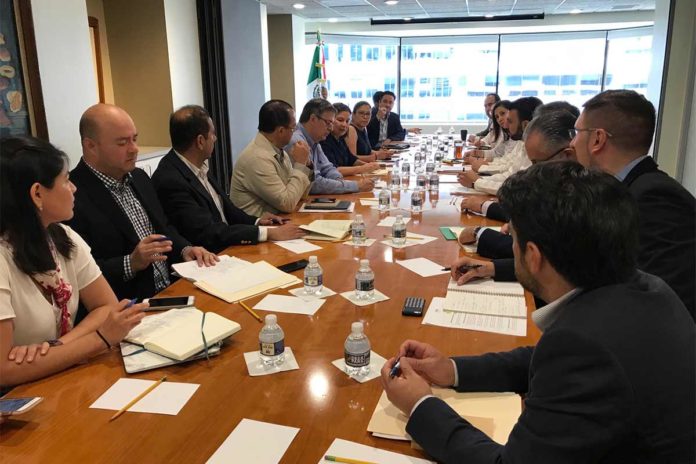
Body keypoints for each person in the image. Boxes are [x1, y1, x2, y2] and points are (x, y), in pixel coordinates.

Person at [381, 161, 695, 463]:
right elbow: (545, 359)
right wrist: (451, 369)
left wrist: (420, 404)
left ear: (533, 255)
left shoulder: (585, 345)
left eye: (513, 239)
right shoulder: (643, 287)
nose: (511, 246)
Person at [0, 136, 146, 388]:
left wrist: (56, 346)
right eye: (66, 180)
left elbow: (106, 306)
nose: (74, 188)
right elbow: (4, 371)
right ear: (37, 194)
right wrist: (99, 339)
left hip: (59, 378)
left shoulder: (62, 236)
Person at [68, 104, 218, 301]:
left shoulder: (139, 177)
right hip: (130, 303)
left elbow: (164, 227)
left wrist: (186, 249)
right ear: (90, 146)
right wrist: (131, 262)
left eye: (135, 139)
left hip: (173, 289)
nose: (134, 149)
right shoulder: (72, 195)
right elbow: (77, 273)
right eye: (122, 143)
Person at [571, 89, 695, 319]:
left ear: (598, 139)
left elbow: (664, 299)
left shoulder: (655, 197)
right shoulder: (622, 188)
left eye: (577, 132)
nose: (572, 142)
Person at [152, 105, 305, 253]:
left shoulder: (197, 165)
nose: (215, 138)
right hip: (209, 255)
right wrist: (267, 233)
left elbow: (227, 210)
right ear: (200, 141)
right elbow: (208, 232)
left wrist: (257, 221)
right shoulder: (171, 179)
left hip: (227, 244)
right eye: (212, 134)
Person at [457, 109, 579, 283]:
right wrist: (491, 268)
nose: (503, 121)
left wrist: (480, 233)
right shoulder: (560, 180)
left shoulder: (583, 196)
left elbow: (546, 259)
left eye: (536, 164)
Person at [460, 105, 578, 221]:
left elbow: (529, 209)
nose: (504, 122)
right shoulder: (538, 151)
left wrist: (478, 183)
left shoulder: (574, 193)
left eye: (509, 120)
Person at [229, 100, 314, 217]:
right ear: (281, 131)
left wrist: (307, 165)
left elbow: (300, 195)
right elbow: (287, 203)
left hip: (279, 220)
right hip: (258, 226)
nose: (294, 133)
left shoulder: (278, 150)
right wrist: (300, 164)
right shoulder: (257, 158)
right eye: (293, 128)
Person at [287, 98, 373, 195]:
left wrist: (340, 182)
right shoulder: (298, 142)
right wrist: (355, 186)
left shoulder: (315, 140)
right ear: (313, 119)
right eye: (328, 123)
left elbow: (327, 168)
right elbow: (313, 183)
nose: (331, 128)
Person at [459, 97, 542, 195]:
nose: (505, 123)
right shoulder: (522, 142)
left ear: (525, 125)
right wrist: (479, 179)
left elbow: (517, 188)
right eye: (497, 117)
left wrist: (477, 181)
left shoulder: (536, 150)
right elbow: (509, 173)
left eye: (510, 121)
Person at [320, 103, 380, 176]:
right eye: (340, 120)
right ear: (331, 120)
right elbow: (333, 170)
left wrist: (371, 166)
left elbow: (352, 160)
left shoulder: (340, 138)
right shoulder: (324, 140)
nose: (344, 125)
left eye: (347, 121)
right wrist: (362, 168)